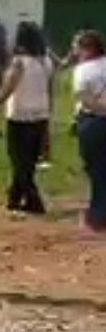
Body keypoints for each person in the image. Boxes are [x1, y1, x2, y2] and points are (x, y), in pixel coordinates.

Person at [0, 20, 54, 215]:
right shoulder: (46, 61)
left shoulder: (19, 62)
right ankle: (14, 199)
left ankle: (34, 201)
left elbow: (8, 87)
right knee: (28, 161)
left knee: (19, 161)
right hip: (40, 115)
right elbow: (50, 93)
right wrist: (49, 116)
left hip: (19, 116)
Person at [70, 30, 106, 233]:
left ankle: (98, 215)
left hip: (94, 121)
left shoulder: (84, 69)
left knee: (96, 168)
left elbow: (83, 96)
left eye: (77, 47)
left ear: (88, 49)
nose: (75, 51)